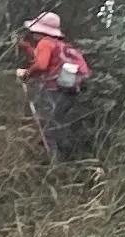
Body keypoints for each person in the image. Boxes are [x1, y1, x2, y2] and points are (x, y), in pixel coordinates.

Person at [18, 13, 94, 161]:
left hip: (53, 90)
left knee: (47, 127)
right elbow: (42, 58)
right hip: (68, 91)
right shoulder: (59, 44)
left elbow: (41, 64)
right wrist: (26, 47)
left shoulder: (45, 43)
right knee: (58, 124)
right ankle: (68, 159)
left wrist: (26, 73)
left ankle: (53, 163)